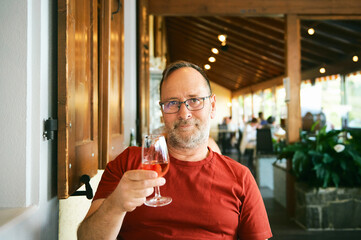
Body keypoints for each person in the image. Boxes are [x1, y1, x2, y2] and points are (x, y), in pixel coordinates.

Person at [77, 61, 272, 240]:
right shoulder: (128, 164)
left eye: (194, 100)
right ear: (162, 112)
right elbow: (86, 237)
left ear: (212, 106)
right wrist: (115, 204)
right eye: (172, 103)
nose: (184, 113)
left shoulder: (241, 178)